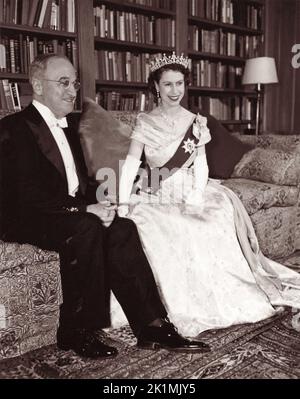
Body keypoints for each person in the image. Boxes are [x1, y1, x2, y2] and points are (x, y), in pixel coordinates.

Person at [0, 53, 211, 359]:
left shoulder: (70, 125)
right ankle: (76, 330)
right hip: (25, 216)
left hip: (63, 211)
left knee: (122, 226)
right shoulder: (13, 128)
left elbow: (77, 182)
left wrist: (102, 200)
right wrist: (85, 210)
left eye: (74, 82)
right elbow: (24, 194)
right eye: (63, 83)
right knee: (87, 226)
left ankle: (152, 326)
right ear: (37, 85)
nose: (73, 90)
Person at [115, 52, 300, 337]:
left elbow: (200, 163)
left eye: (180, 84)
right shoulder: (145, 122)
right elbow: (130, 164)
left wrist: (197, 195)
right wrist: (123, 201)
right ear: (156, 87)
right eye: (168, 85)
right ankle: (157, 307)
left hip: (192, 187)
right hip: (156, 189)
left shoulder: (196, 123)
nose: (175, 91)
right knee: (147, 225)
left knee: (205, 222)